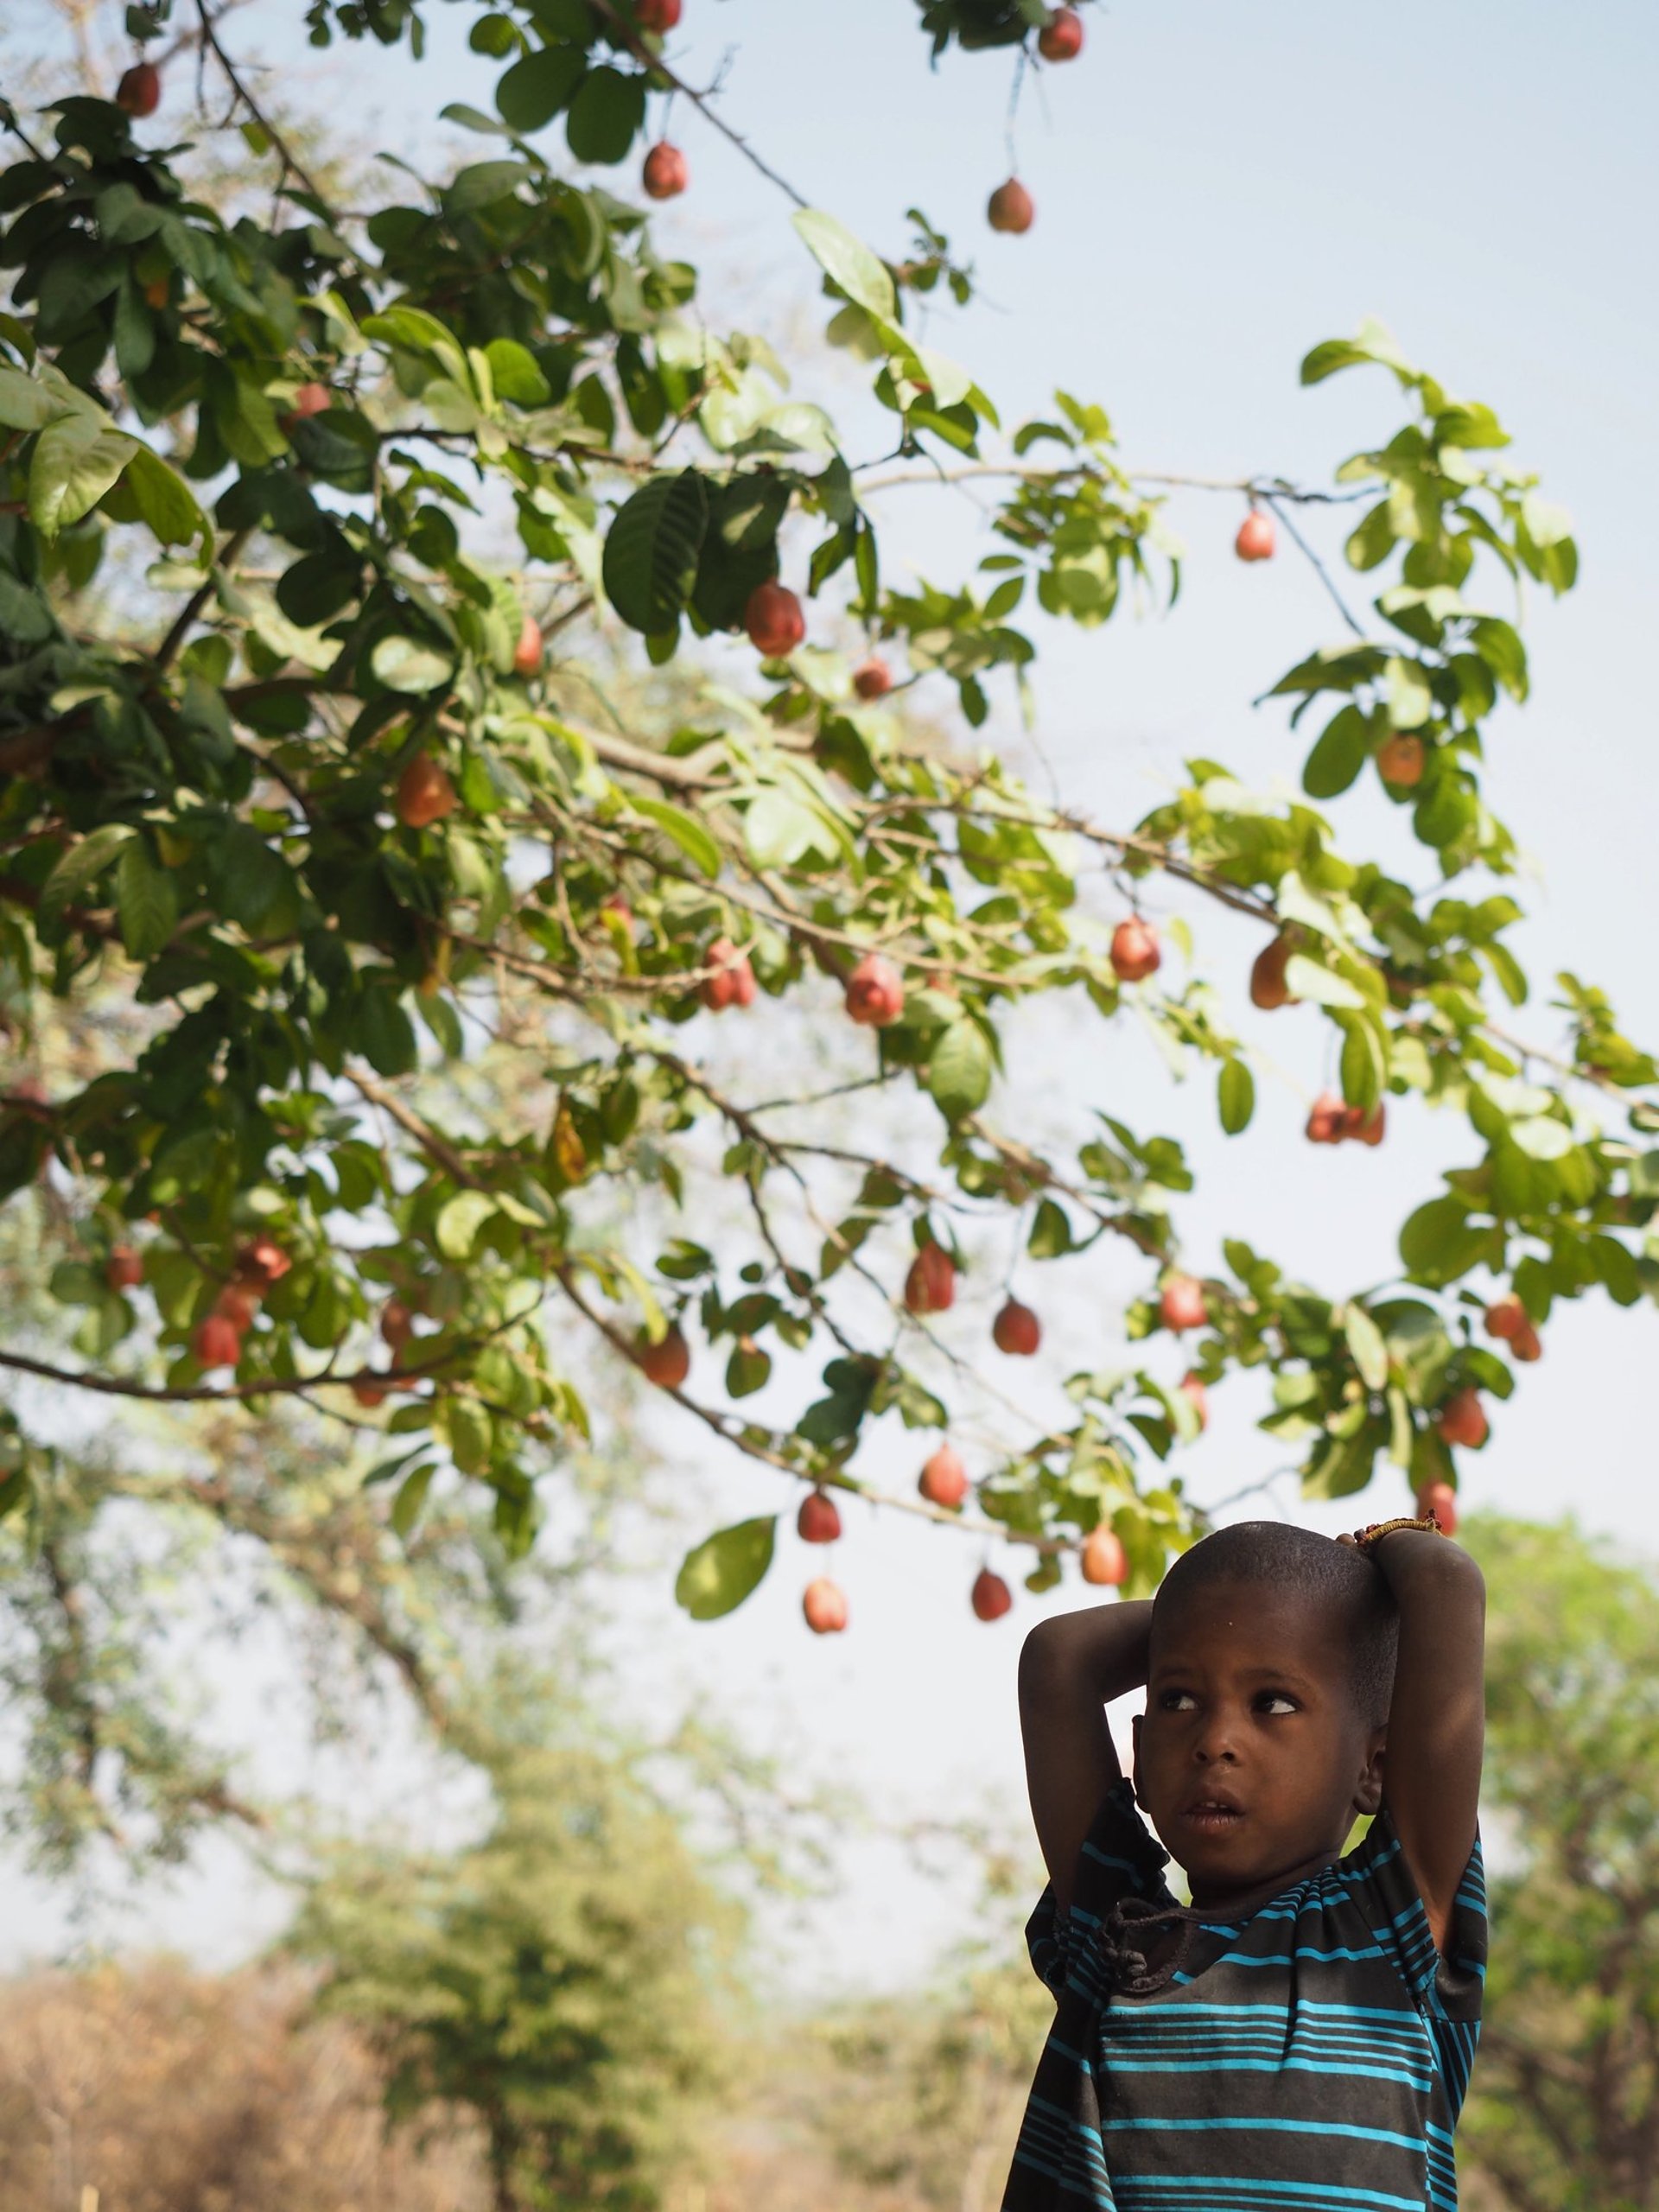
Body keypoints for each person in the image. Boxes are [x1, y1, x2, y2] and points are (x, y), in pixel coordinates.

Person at [1003, 1510, 1487, 2210]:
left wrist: (1368, 1555)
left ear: (1376, 1765)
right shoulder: (1118, 1935)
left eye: (1274, 1703)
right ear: (1139, 1753)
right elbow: (1057, 1658)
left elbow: (1445, 1584)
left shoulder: (1392, 1926)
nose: (1215, 1740)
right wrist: (1234, 1608)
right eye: (1178, 1699)